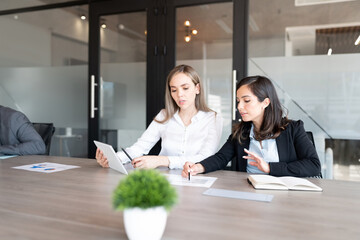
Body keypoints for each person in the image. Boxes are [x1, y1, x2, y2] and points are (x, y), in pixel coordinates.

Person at [182, 75, 321, 178]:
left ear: (265, 102)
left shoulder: (293, 129)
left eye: (246, 100)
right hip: (247, 194)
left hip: (284, 197)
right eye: (238, 101)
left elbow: (313, 166)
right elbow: (221, 158)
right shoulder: (241, 132)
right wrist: (198, 167)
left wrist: (269, 168)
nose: (239, 107)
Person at [96, 64, 223, 169]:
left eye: (185, 88)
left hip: (197, 180)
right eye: (174, 90)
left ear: (197, 88)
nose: (179, 95)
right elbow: (139, 148)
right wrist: (113, 159)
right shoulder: (164, 115)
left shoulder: (213, 118)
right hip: (165, 180)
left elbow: (206, 157)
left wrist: (161, 160)